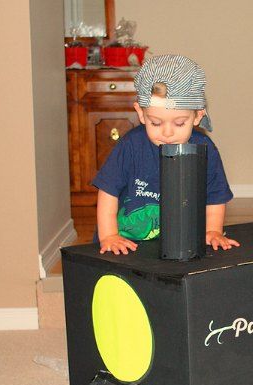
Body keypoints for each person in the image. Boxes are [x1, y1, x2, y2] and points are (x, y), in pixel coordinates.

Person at [93, 54, 240, 255]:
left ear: (198, 115)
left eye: (179, 123)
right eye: (156, 122)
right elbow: (108, 191)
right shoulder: (130, 145)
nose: (168, 133)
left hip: (177, 243)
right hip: (124, 243)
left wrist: (212, 231)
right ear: (141, 114)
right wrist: (109, 236)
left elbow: (215, 196)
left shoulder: (205, 149)